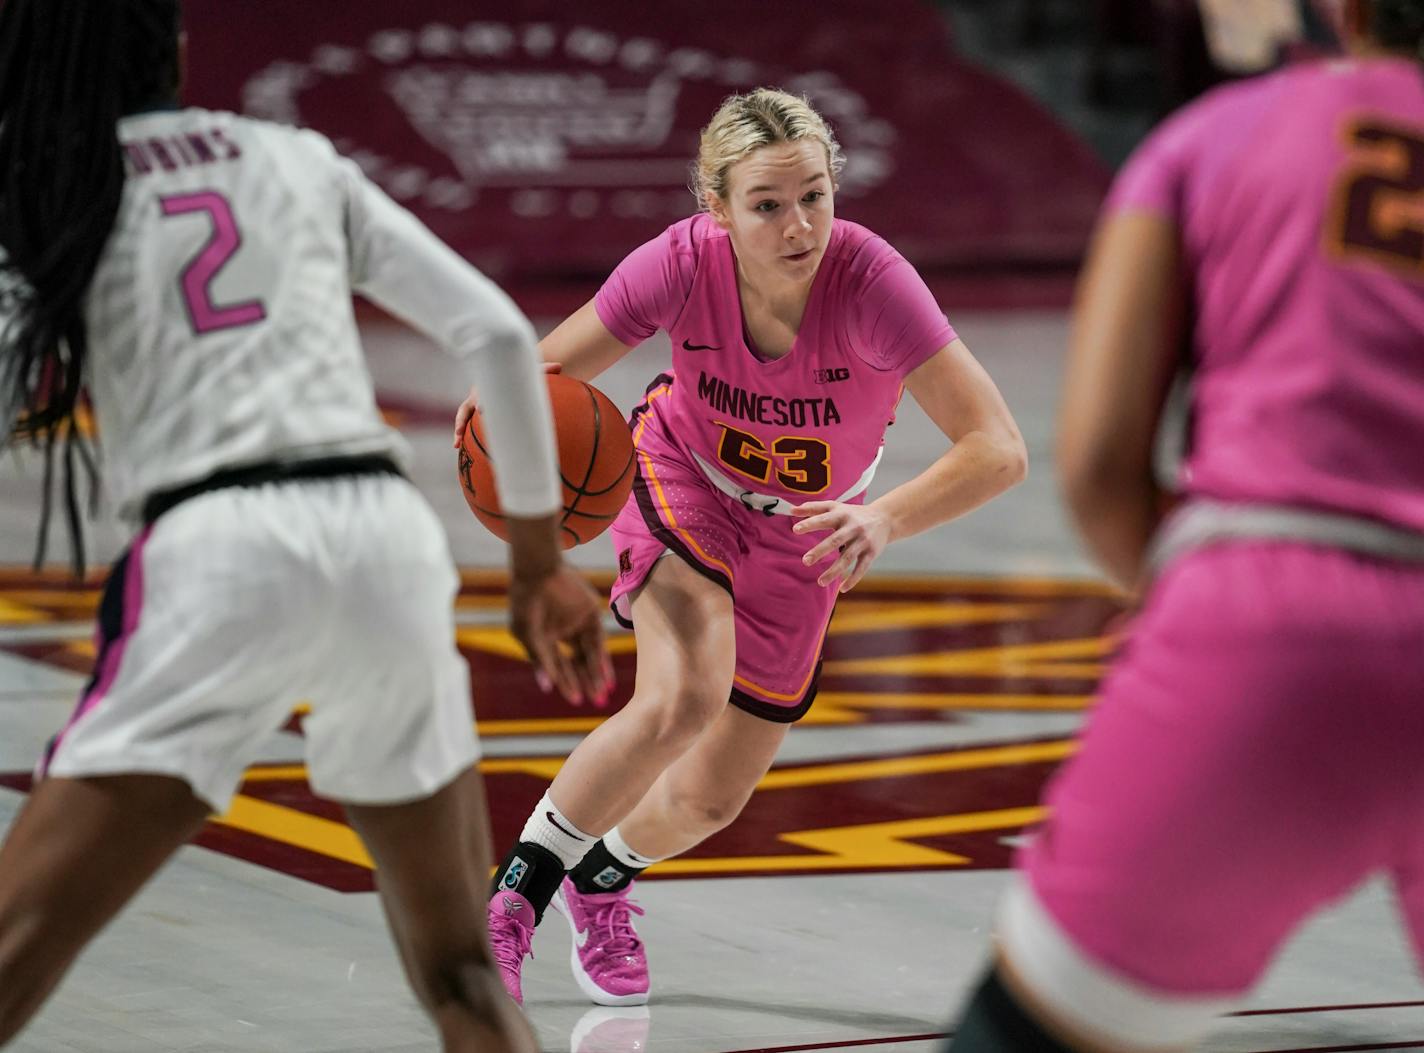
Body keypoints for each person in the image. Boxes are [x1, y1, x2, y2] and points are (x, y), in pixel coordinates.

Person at [0, 2, 611, 1050]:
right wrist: (534, 570)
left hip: (217, 551)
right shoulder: (296, 158)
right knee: (463, 973)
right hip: (384, 536)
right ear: (181, 54)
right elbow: (499, 335)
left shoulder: (55, 190)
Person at [454, 87, 1029, 1007]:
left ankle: (602, 877)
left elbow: (998, 446)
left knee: (711, 798)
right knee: (683, 694)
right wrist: (500, 435)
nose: (798, 224)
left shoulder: (873, 283)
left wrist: (883, 517)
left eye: (815, 196)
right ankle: (511, 904)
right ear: (716, 209)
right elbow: (543, 376)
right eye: (767, 204)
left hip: (811, 530)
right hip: (687, 480)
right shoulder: (679, 265)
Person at [943, 1, 1424, 1049]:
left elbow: (1103, 467)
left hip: (1274, 618)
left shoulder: (1213, 135)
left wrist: (1193, 614)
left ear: (1341, 11)